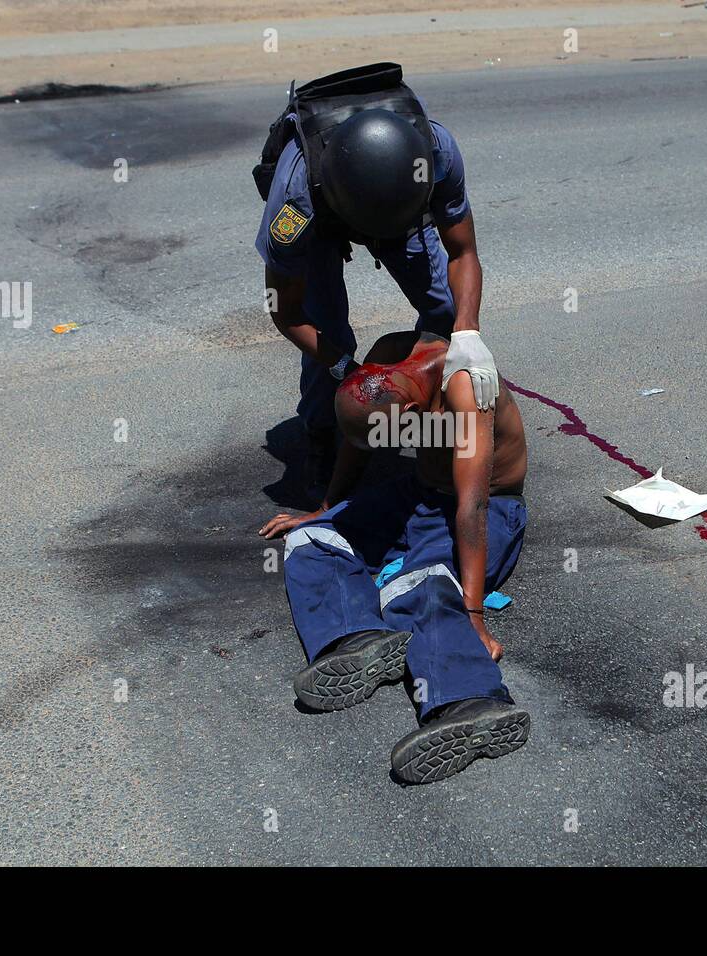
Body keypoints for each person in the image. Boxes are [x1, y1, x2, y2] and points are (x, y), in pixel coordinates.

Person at [259, 330, 529, 784]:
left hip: (489, 507)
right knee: (313, 540)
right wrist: (327, 508)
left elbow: (472, 506)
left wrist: (475, 615)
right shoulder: (388, 356)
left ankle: (471, 701)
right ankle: (358, 638)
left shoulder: (463, 389)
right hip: (418, 493)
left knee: (420, 584)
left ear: (405, 414)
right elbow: (357, 444)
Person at [255, 64, 498, 502]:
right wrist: (349, 372)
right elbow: (286, 312)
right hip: (326, 223)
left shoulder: (435, 152)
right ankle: (322, 432)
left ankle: (435, 416)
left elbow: (462, 253)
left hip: (401, 207)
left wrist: (468, 332)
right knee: (330, 330)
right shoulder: (295, 202)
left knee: (445, 310)